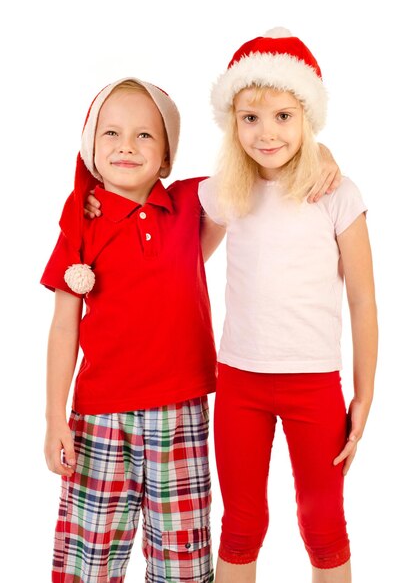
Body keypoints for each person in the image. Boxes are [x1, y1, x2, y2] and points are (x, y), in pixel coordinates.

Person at [197, 28, 378, 583]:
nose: (266, 132)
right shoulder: (227, 191)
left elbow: (363, 298)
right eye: (250, 118)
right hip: (240, 383)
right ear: (233, 123)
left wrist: (364, 393)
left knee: (322, 523)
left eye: (283, 116)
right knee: (242, 524)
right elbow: (182, 257)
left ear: (307, 119)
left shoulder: (336, 192)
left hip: (314, 384)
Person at [41, 78, 219, 583]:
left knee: (183, 559)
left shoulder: (190, 203)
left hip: (180, 413)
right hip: (99, 419)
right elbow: (62, 329)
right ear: (91, 151)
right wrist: (56, 419)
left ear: (166, 156)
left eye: (145, 136)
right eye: (111, 133)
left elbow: (247, 172)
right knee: (90, 558)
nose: (126, 145)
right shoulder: (82, 224)